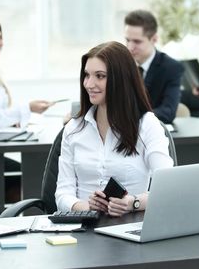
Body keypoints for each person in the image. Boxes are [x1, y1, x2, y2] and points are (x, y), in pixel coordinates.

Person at [55, 41, 173, 217]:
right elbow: (62, 195)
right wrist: (87, 207)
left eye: (100, 76)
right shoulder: (74, 128)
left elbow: (168, 189)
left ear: (121, 79)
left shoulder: (147, 125)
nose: (89, 84)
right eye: (87, 75)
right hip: (83, 230)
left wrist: (132, 202)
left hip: (130, 227)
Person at [124, 10, 184, 124]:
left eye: (137, 41)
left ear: (154, 39)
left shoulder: (171, 68)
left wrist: (129, 116)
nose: (130, 47)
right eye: (127, 40)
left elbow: (168, 112)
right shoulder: (120, 64)